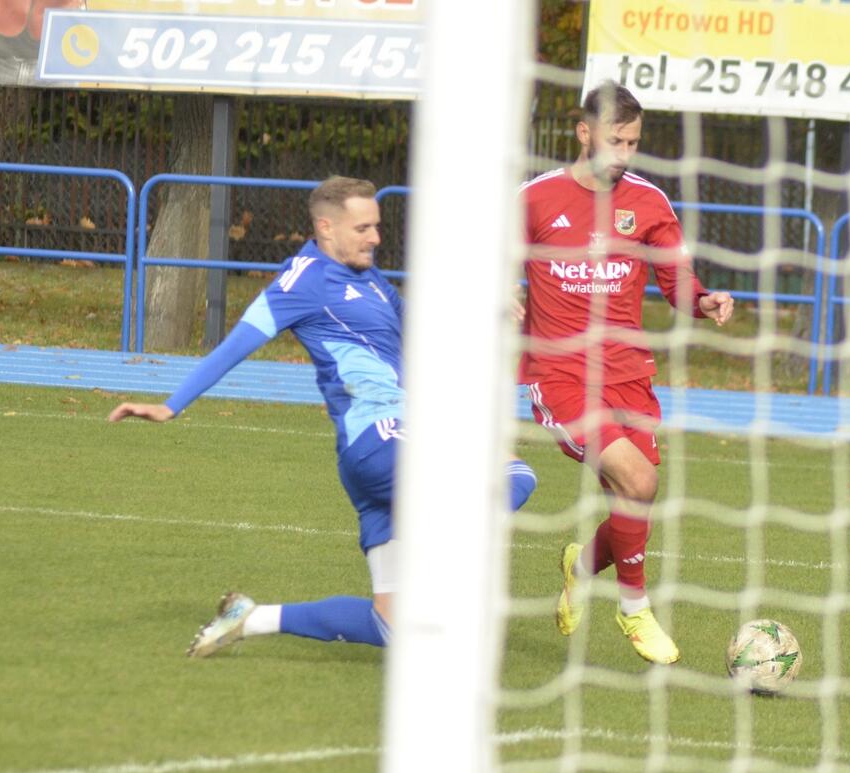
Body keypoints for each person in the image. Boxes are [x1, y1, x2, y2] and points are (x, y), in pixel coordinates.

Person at [110, 175, 536, 657]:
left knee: (389, 624)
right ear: (326, 227)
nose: (375, 238)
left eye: (376, 226)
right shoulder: (304, 280)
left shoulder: (370, 279)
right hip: (384, 440)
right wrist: (172, 404)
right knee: (514, 476)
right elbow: (239, 341)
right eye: (363, 228)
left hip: (374, 457)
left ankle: (250, 618)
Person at [519, 82, 734, 664]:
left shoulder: (650, 203)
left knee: (632, 500)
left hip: (627, 376)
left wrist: (704, 300)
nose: (624, 153)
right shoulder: (535, 199)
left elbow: (678, 280)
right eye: (615, 140)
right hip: (559, 376)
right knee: (639, 484)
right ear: (584, 133)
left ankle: (580, 566)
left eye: (633, 142)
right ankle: (634, 609)